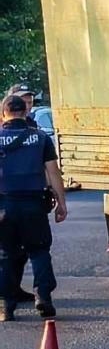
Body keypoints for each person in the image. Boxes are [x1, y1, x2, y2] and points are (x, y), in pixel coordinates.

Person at [0, 94, 67, 322]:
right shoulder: (40, 138)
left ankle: (6, 307)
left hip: (4, 206)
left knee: (6, 255)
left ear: (4, 114)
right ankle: (43, 297)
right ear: (25, 111)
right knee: (39, 251)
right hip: (34, 205)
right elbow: (53, 172)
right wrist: (61, 203)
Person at [4, 84, 44, 308]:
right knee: (8, 252)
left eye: (30, 101)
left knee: (20, 252)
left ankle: (14, 291)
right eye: (23, 101)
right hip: (7, 198)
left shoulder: (33, 126)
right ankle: (6, 296)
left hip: (28, 196)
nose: (27, 105)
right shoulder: (5, 125)